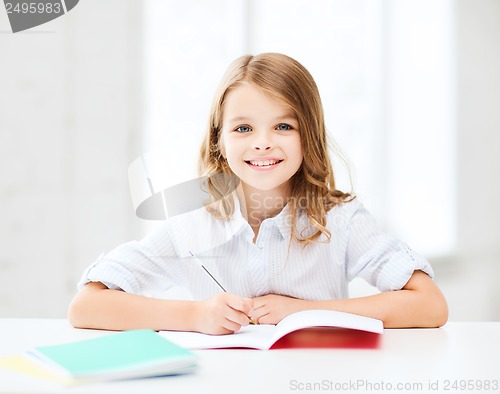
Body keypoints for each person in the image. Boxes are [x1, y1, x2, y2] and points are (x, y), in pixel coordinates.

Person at [68, 53, 448, 334]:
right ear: (218, 140)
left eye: (283, 126)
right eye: (243, 129)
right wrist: (194, 315)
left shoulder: (341, 218)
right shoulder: (191, 223)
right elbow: (86, 307)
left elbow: (429, 306)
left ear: (309, 136)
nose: (263, 144)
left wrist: (305, 313)